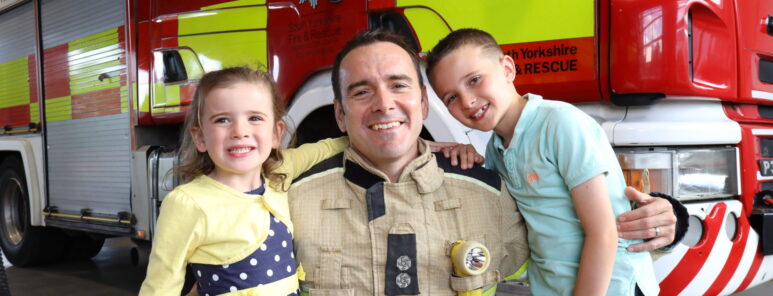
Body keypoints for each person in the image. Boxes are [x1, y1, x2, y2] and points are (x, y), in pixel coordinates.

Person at [288, 30, 686, 295]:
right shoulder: (289, 199)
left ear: (422, 105)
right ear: (339, 113)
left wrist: (673, 217)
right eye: (361, 92)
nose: (384, 103)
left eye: (398, 85)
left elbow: (599, 227)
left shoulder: (499, 173)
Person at [425, 28, 664, 295]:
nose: (467, 101)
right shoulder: (496, 150)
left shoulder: (559, 123)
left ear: (507, 69)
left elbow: (603, 234)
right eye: (451, 97)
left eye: (475, 80)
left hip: (614, 287)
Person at [138, 67, 349, 296]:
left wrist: (368, 136)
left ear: (276, 133)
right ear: (200, 138)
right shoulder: (187, 203)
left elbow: (327, 148)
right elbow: (160, 287)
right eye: (222, 120)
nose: (240, 130)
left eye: (255, 118)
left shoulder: (279, 172)